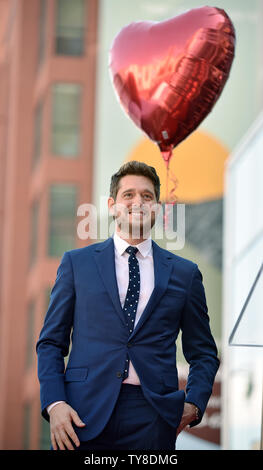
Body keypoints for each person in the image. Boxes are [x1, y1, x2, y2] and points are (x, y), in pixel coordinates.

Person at [36, 160, 219, 451]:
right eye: (129, 195)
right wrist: (55, 403)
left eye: (147, 196)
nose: (139, 202)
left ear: (157, 208)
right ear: (112, 205)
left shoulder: (185, 274)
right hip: (81, 412)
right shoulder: (76, 264)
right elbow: (50, 343)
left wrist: (194, 404)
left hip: (153, 417)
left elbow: (204, 353)